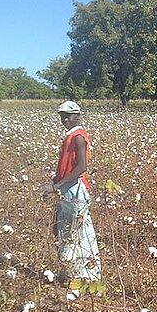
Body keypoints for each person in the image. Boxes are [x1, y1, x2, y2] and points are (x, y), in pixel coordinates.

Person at [41, 100, 101, 281]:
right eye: (62, 116)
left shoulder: (78, 137)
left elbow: (81, 167)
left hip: (75, 189)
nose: (65, 119)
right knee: (66, 229)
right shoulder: (70, 136)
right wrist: (57, 182)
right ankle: (71, 272)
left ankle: (88, 276)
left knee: (79, 231)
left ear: (77, 116)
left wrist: (56, 186)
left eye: (69, 115)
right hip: (67, 189)